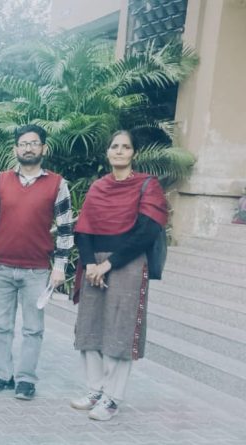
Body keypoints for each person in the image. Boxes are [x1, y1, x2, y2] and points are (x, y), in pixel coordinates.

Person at [71, 130, 168, 421]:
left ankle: (112, 398)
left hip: (128, 264)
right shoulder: (98, 187)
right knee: (90, 325)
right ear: (107, 152)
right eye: (114, 146)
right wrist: (91, 263)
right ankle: (95, 390)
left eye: (126, 147)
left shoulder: (147, 186)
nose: (119, 151)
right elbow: (83, 228)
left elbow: (147, 231)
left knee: (119, 329)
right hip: (94, 264)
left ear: (134, 153)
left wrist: (109, 264)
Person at [0, 124, 73, 400]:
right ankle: (1, 374)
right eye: (23, 143)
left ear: (43, 148)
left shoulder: (57, 184)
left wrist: (59, 267)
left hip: (36, 271)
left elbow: (66, 230)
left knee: (33, 329)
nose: (28, 148)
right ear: (15, 149)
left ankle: (25, 379)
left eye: (34, 143)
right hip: (1, 267)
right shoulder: (1, 181)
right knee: (1, 326)